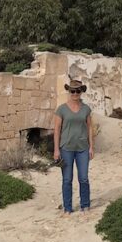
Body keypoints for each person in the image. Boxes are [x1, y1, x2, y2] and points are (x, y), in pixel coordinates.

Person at [53, 77, 94, 213]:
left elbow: (89, 128)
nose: (75, 94)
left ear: (81, 92)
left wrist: (91, 147)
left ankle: (85, 205)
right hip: (66, 149)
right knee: (67, 180)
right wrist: (56, 150)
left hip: (83, 148)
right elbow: (57, 130)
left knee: (83, 178)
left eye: (77, 91)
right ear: (69, 92)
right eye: (72, 91)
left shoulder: (86, 109)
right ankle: (68, 208)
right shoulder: (61, 109)